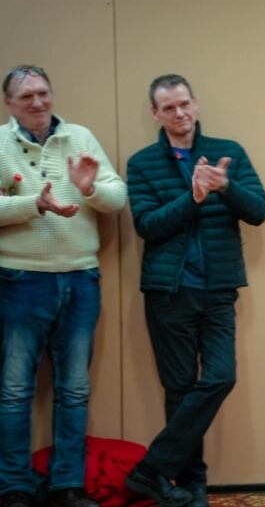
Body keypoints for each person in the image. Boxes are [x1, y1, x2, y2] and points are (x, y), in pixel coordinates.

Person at [125, 74, 265, 507]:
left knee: (221, 376)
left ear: (196, 103)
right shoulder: (142, 163)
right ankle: (191, 487)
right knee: (180, 390)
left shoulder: (229, 153)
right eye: (169, 108)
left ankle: (151, 470)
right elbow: (147, 226)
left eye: (184, 104)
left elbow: (259, 211)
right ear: (156, 113)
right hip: (168, 292)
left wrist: (225, 186)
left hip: (218, 288)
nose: (180, 113)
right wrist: (194, 197)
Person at [0, 65, 127, 507]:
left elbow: (117, 197)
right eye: (26, 97)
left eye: (43, 93)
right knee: (15, 391)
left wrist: (90, 190)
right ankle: (13, 487)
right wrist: (32, 204)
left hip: (80, 279)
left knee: (74, 389)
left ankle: (67, 485)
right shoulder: (0, 143)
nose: (38, 103)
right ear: (9, 104)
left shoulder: (80, 137)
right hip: (19, 280)